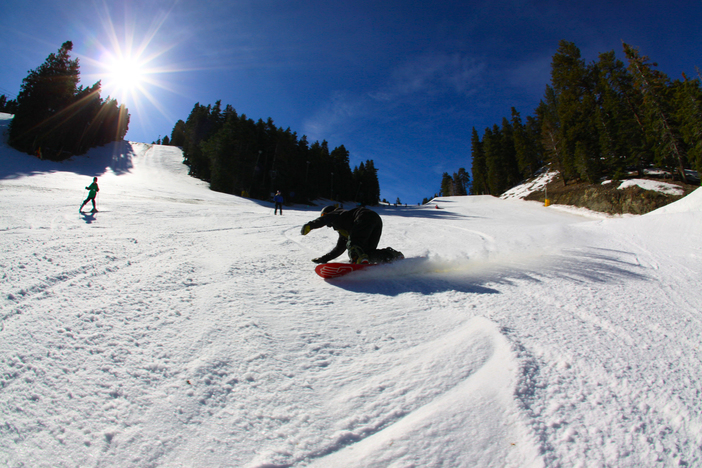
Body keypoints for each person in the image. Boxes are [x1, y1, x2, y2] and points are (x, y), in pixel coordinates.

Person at [301, 205, 404, 264]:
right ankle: (391, 256)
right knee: (366, 252)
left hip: (364, 217)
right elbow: (339, 248)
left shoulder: (337, 213)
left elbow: (325, 219)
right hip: (376, 221)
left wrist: (310, 225)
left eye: (324, 215)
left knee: (354, 245)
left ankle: (357, 260)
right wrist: (323, 259)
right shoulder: (345, 230)